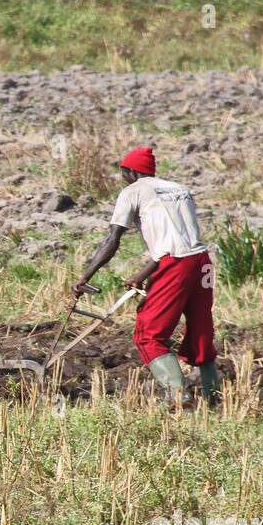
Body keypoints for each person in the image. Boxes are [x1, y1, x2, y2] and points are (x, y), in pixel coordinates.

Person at [72, 147, 219, 405]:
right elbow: (176, 241)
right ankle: (213, 397)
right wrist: (143, 274)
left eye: (123, 173)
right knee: (201, 331)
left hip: (175, 266)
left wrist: (86, 275)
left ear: (130, 172)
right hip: (202, 262)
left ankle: (177, 395)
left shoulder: (133, 192)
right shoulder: (180, 189)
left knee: (148, 334)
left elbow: (112, 239)